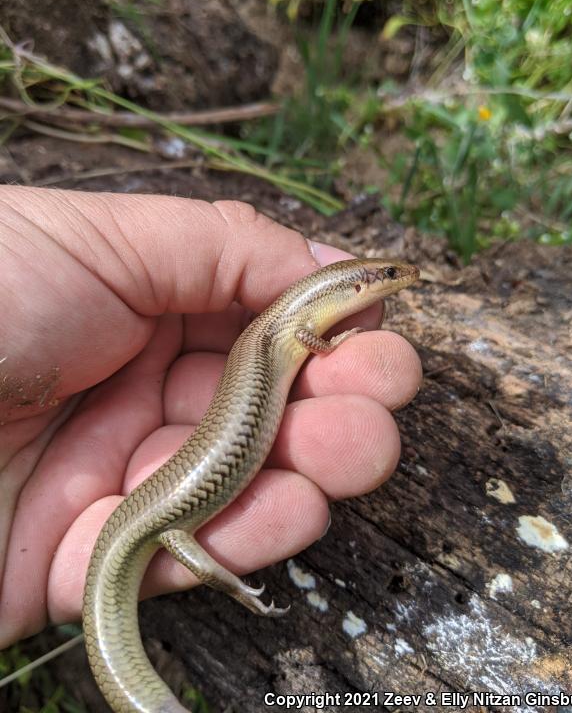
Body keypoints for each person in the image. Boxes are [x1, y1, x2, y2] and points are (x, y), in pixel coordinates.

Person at [0, 186, 421, 649]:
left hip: (161, 513)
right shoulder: (301, 323)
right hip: (167, 521)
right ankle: (229, 583)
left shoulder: (292, 321)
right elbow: (305, 335)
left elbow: (300, 333)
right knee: (187, 540)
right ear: (359, 285)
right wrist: (332, 344)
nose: (398, 278)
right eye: (388, 275)